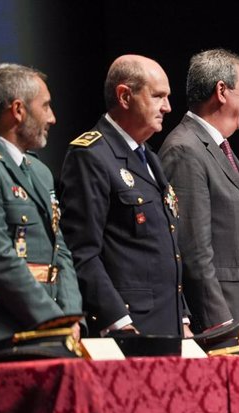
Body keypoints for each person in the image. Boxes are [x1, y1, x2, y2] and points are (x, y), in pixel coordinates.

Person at [59, 55, 191, 338]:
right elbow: (81, 251)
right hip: (129, 328)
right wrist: (117, 320)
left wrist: (182, 318)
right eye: (158, 96)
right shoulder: (91, 155)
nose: (167, 107)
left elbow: (166, 248)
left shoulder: (150, 159)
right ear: (124, 96)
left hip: (167, 326)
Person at [159, 49, 239, 350]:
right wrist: (220, 325)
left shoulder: (218, 147)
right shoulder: (185, 150)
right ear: (221, 91)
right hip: (225, 327)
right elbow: (192, 248)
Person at [0, 63, 83, 348]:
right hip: (3, 332)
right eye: (46, 106)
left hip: (51, 330)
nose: (52, 118)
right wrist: (53, 320)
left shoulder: (39, 172)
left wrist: (70, 316)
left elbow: (60, 251)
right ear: (18, 110)